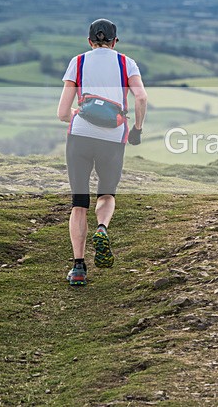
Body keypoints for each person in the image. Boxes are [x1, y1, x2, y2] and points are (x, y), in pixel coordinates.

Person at [56, 19, 147, 286]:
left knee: (79, 203)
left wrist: (80, 113)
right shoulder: (126, 63)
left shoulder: (78, 62)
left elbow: (62, 113)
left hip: (80, 135)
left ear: (89, 41)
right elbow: (141, 97)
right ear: (115, 42)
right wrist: (137, 129)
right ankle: (102, 227)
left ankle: (78, 268)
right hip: (113, 136)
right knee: (107, 193)